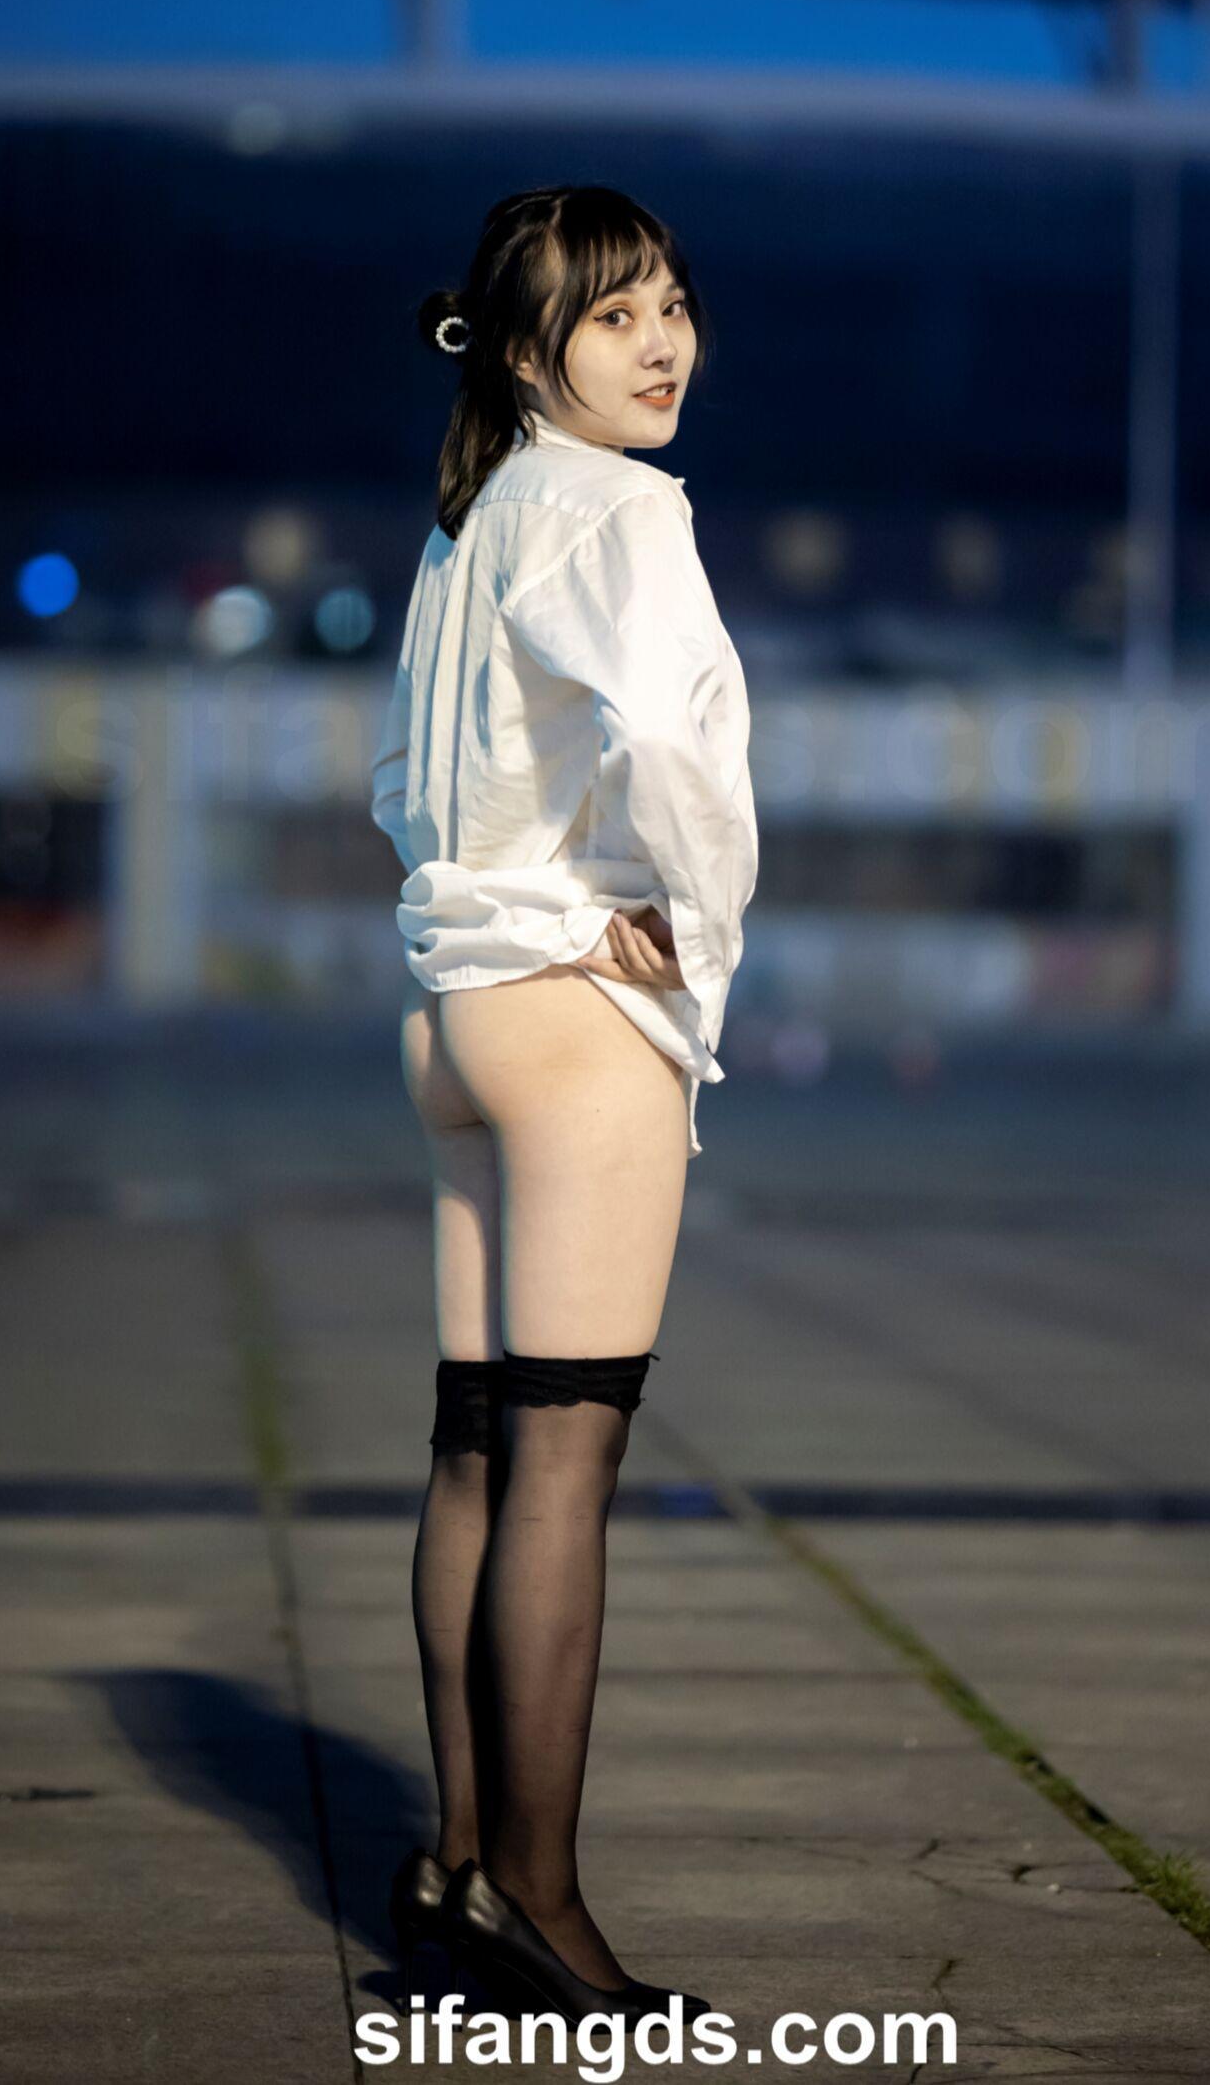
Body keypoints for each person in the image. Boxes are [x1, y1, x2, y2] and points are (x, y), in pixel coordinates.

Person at [368, 185, 758, 2025]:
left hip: (457, 1025)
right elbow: (672, 738)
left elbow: (398, 777)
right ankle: (539, 1901)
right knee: (564, 1467)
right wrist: (690, 931)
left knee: (476, 1444)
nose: (661, 341)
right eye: (614, 316)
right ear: (529, 352)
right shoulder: (618, 507)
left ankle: (459, 1865)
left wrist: (487, 911)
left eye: (670, 303)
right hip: (576, 1033)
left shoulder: (474, 516)